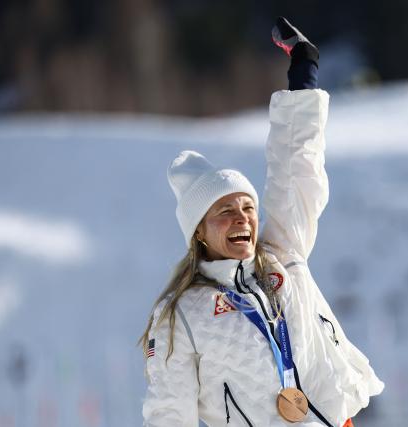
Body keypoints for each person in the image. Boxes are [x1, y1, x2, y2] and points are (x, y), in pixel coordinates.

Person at [140, 17, 384, 427]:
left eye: (248, 208)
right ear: (199, 229)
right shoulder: (179, 313)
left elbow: (295, 172)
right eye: (225, 211)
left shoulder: (282, 256)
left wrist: (303, 75)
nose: (243, 219)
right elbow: (170, 413)